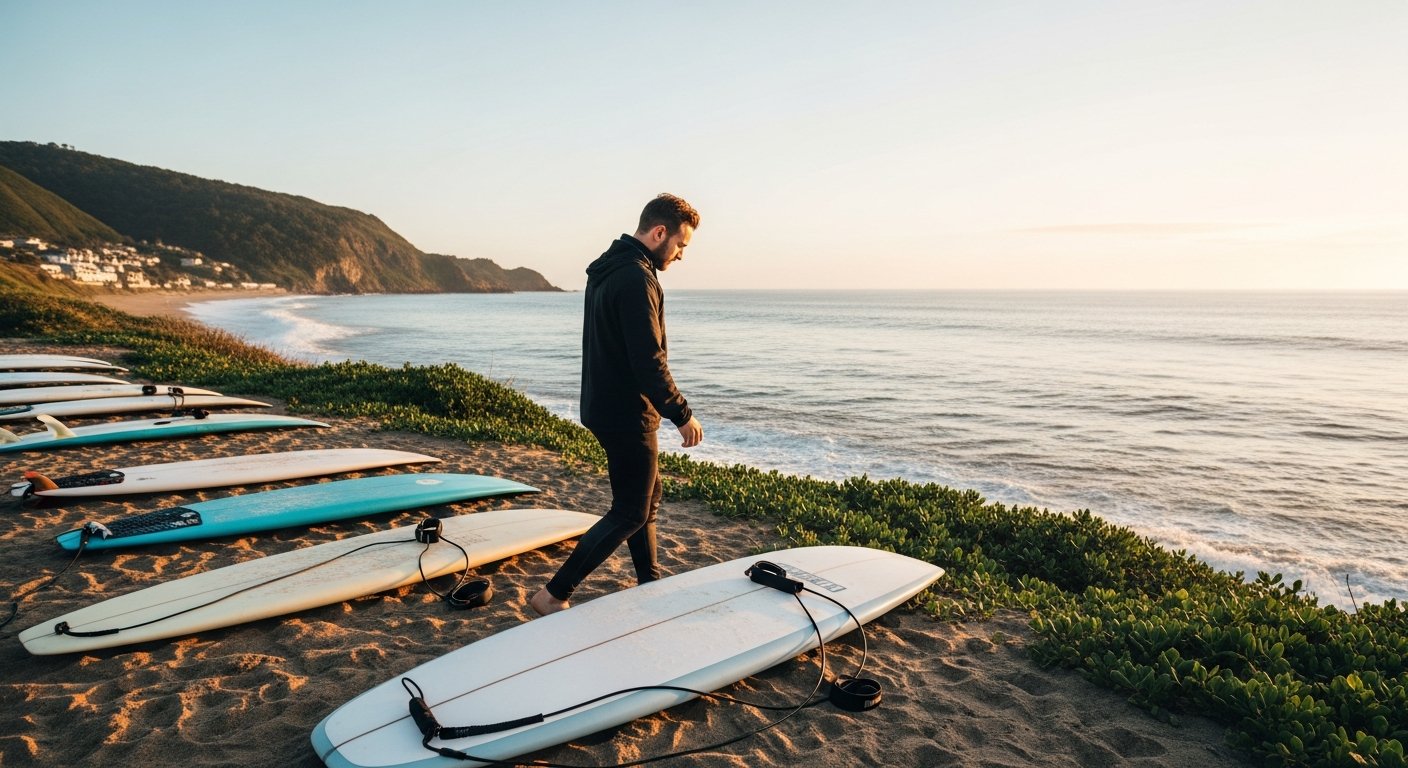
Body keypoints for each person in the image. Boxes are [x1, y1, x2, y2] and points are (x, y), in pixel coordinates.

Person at [529, 193, 704, 616]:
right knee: (629, 511)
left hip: (605, 405)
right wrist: (681, 413)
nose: (681, 255)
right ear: (659, 232)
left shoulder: (609, 268)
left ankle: (649, 582)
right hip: (627, 413)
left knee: (647, 500)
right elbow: (648, 359)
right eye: (680, 245)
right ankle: (553, 594)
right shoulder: (635, 277)